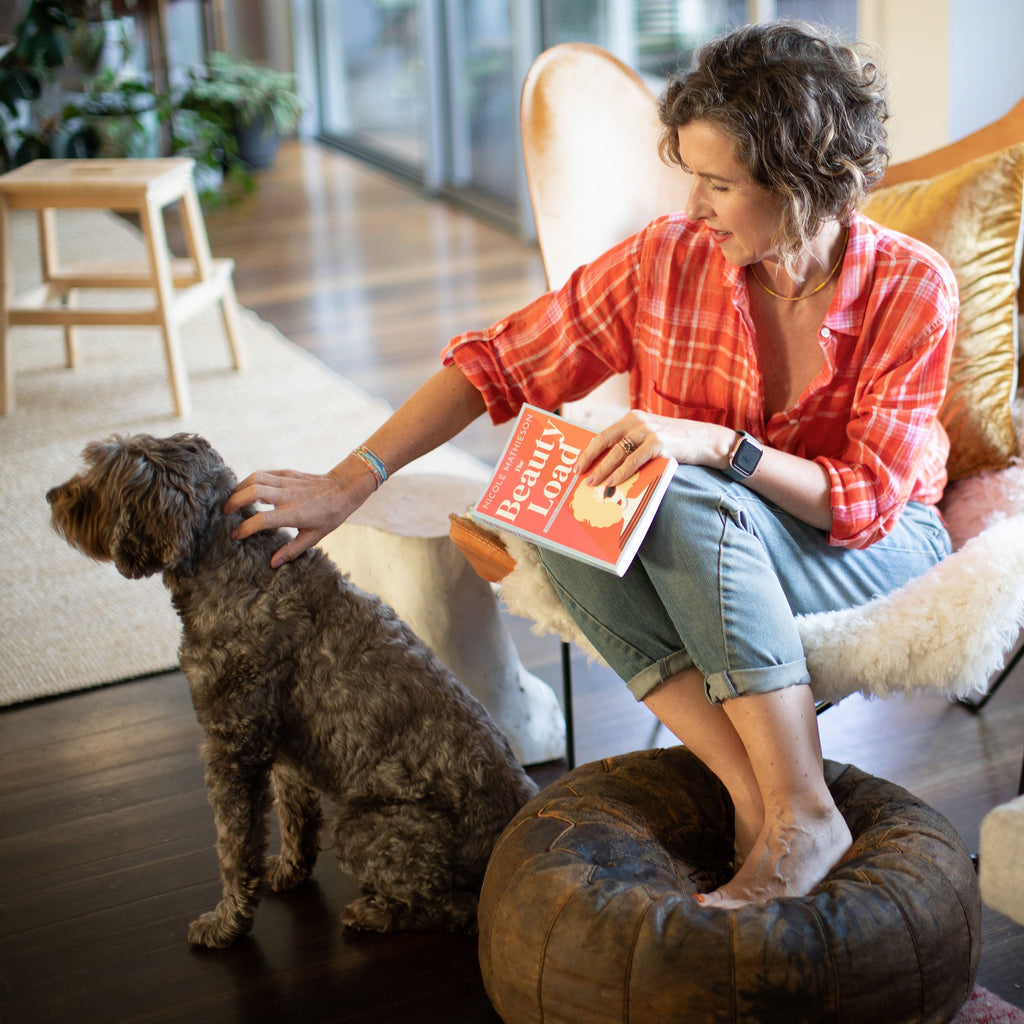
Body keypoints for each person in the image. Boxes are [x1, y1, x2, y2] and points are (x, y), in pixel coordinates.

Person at [225, 21, 957, 908]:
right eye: (693, 177)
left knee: (681, 488)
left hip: (867, 548)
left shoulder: (913, 286)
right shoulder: (667, 260)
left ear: (803, 183)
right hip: (723, 541)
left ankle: (804, 808)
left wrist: (718, 447)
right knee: (572, 500)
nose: (694, 207)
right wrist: (348, 482)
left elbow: (867, 498)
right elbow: (497, 362)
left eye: (719, 184)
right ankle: (756, 794)